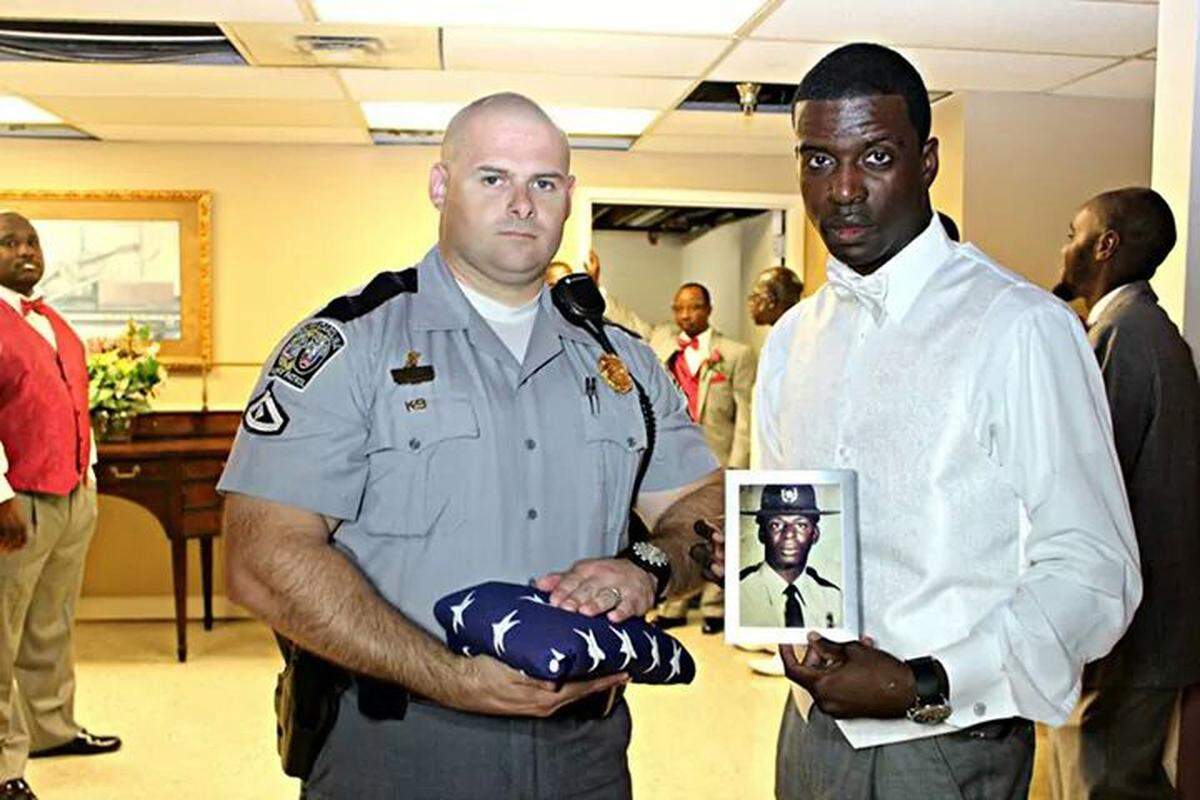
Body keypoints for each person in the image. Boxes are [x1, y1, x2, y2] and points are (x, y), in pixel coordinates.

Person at [217, 93, 725, 800]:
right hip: (399, 749)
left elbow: (704, 505)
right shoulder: (351, 346)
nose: (522, 203)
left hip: (585, 755)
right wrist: (450, 677)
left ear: (569, 198)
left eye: (543, 183)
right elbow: (261, 557)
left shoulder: (624, 363)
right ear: (439, 186)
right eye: (493, 178)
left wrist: (648, 567)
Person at [751, 43, 1141, 799]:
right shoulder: (794, 339)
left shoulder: (1018, 327)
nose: (845, 191)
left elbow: (1094, 570)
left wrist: (920, 680)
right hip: (806, 735)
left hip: (944, 743)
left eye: (877, 156)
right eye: (820, 162)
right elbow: (791, 532)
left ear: (927, 161)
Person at [1044, 187, 1200, 799]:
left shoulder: (1129, 335)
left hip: (1136, 632)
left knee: (1104, 781)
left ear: (1105, 245)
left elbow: (1087, 490)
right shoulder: (1130, 328)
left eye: (1072, 233)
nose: (1065, 248)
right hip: (1140, 631)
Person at [0, 212, 121, 800]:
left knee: (51, 622)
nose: (25, 251)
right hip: (17, 502)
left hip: (73, 493)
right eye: (8, 242)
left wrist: (89, 473)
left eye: (31, 241)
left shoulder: (53, 321)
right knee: (2, 631)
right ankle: (3, 763)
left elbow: (76, 405)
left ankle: (50, 727)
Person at [648, 282, 755, 634]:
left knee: (719, 531)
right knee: (676, 523)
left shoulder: (735, 353)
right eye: (678, 309)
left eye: (693, 308)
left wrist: (738, 464)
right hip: (678, 458)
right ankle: (675, 604)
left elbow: (746, 414)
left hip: (720, 454)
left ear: (708, 309)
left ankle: (715, 608)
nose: (685, 315)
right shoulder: (661, 347)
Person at [738, 485, 842, 630]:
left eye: (801, 525)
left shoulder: (832, 598)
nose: (788, 535)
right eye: (776, 525)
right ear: (761, 533)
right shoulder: (739, 593)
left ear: (815, 534)